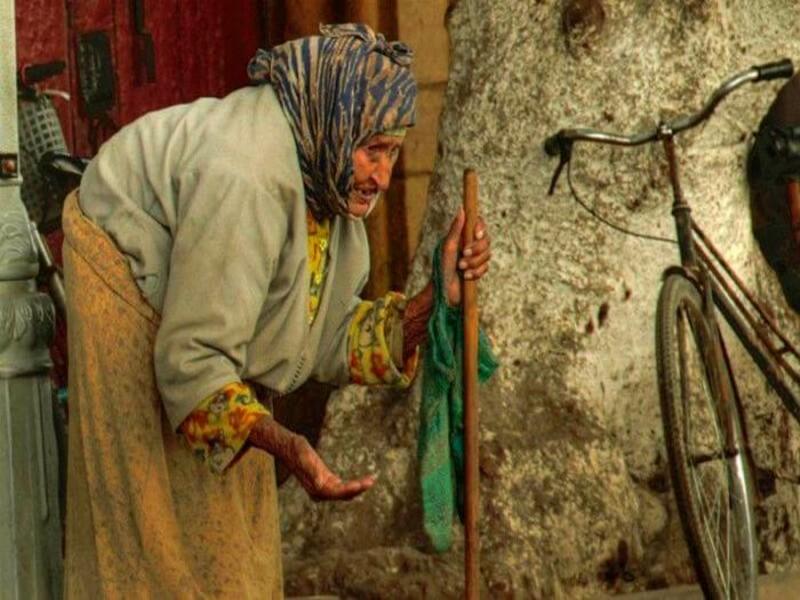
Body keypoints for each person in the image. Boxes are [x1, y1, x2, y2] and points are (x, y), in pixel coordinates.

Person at [62, 23, 491, 598]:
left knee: (234, 527)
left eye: (393, 153)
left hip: (201, 299)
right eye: (374, 151)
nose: (384, 178)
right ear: (337, 128)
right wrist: (285, 442)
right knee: (153, 521)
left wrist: (435, 301)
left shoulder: (325, 170)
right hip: (119, 257)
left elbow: (331, 337)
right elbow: (192, 362)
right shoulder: (247, 181)